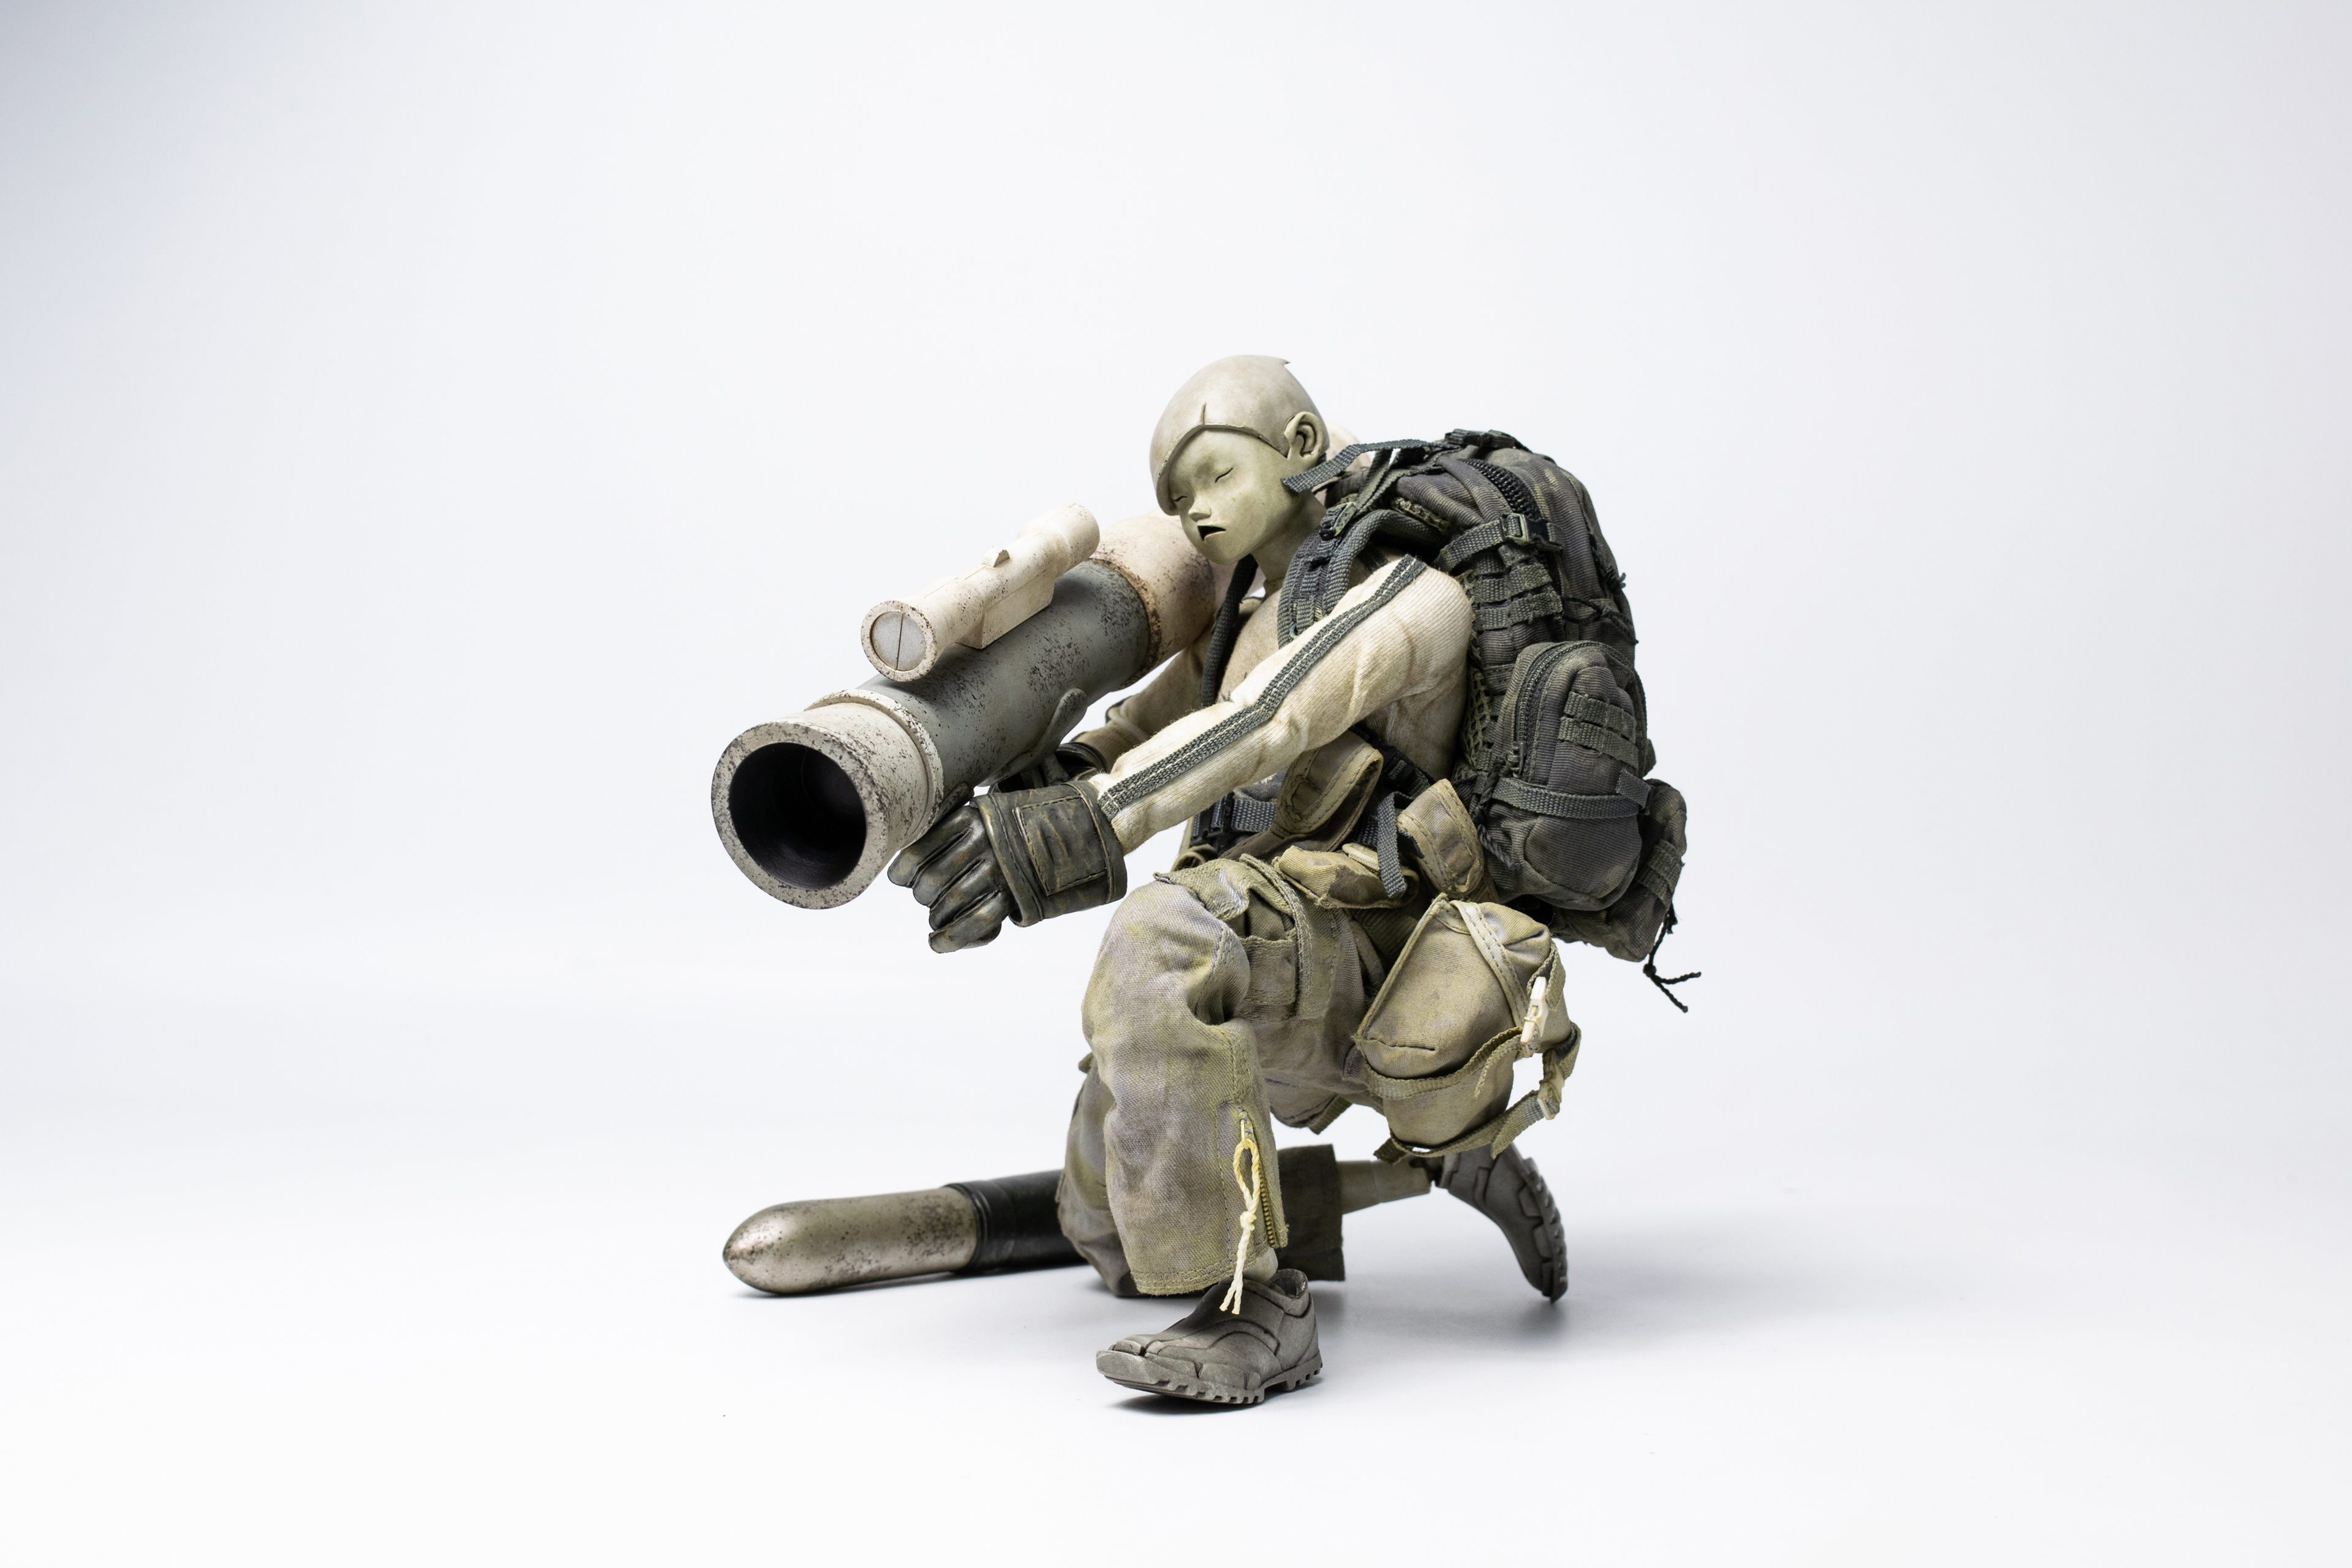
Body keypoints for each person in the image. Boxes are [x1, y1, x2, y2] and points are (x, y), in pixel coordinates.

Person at [889, 356, 1577, 1404]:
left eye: (1215, 475)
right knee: (1107, 1238)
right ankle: (1428, 1166)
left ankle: (1254, 1306)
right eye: (1177, 499)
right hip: (1264, 939)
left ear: (1300, 448)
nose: (1196, 512)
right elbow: (1140, 728)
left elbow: (1270, 720)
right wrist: (1039, 782)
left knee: (1156, 940)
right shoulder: (1245, 617)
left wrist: (1083, 824)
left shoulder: (1414, 594)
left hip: (1377, 956)